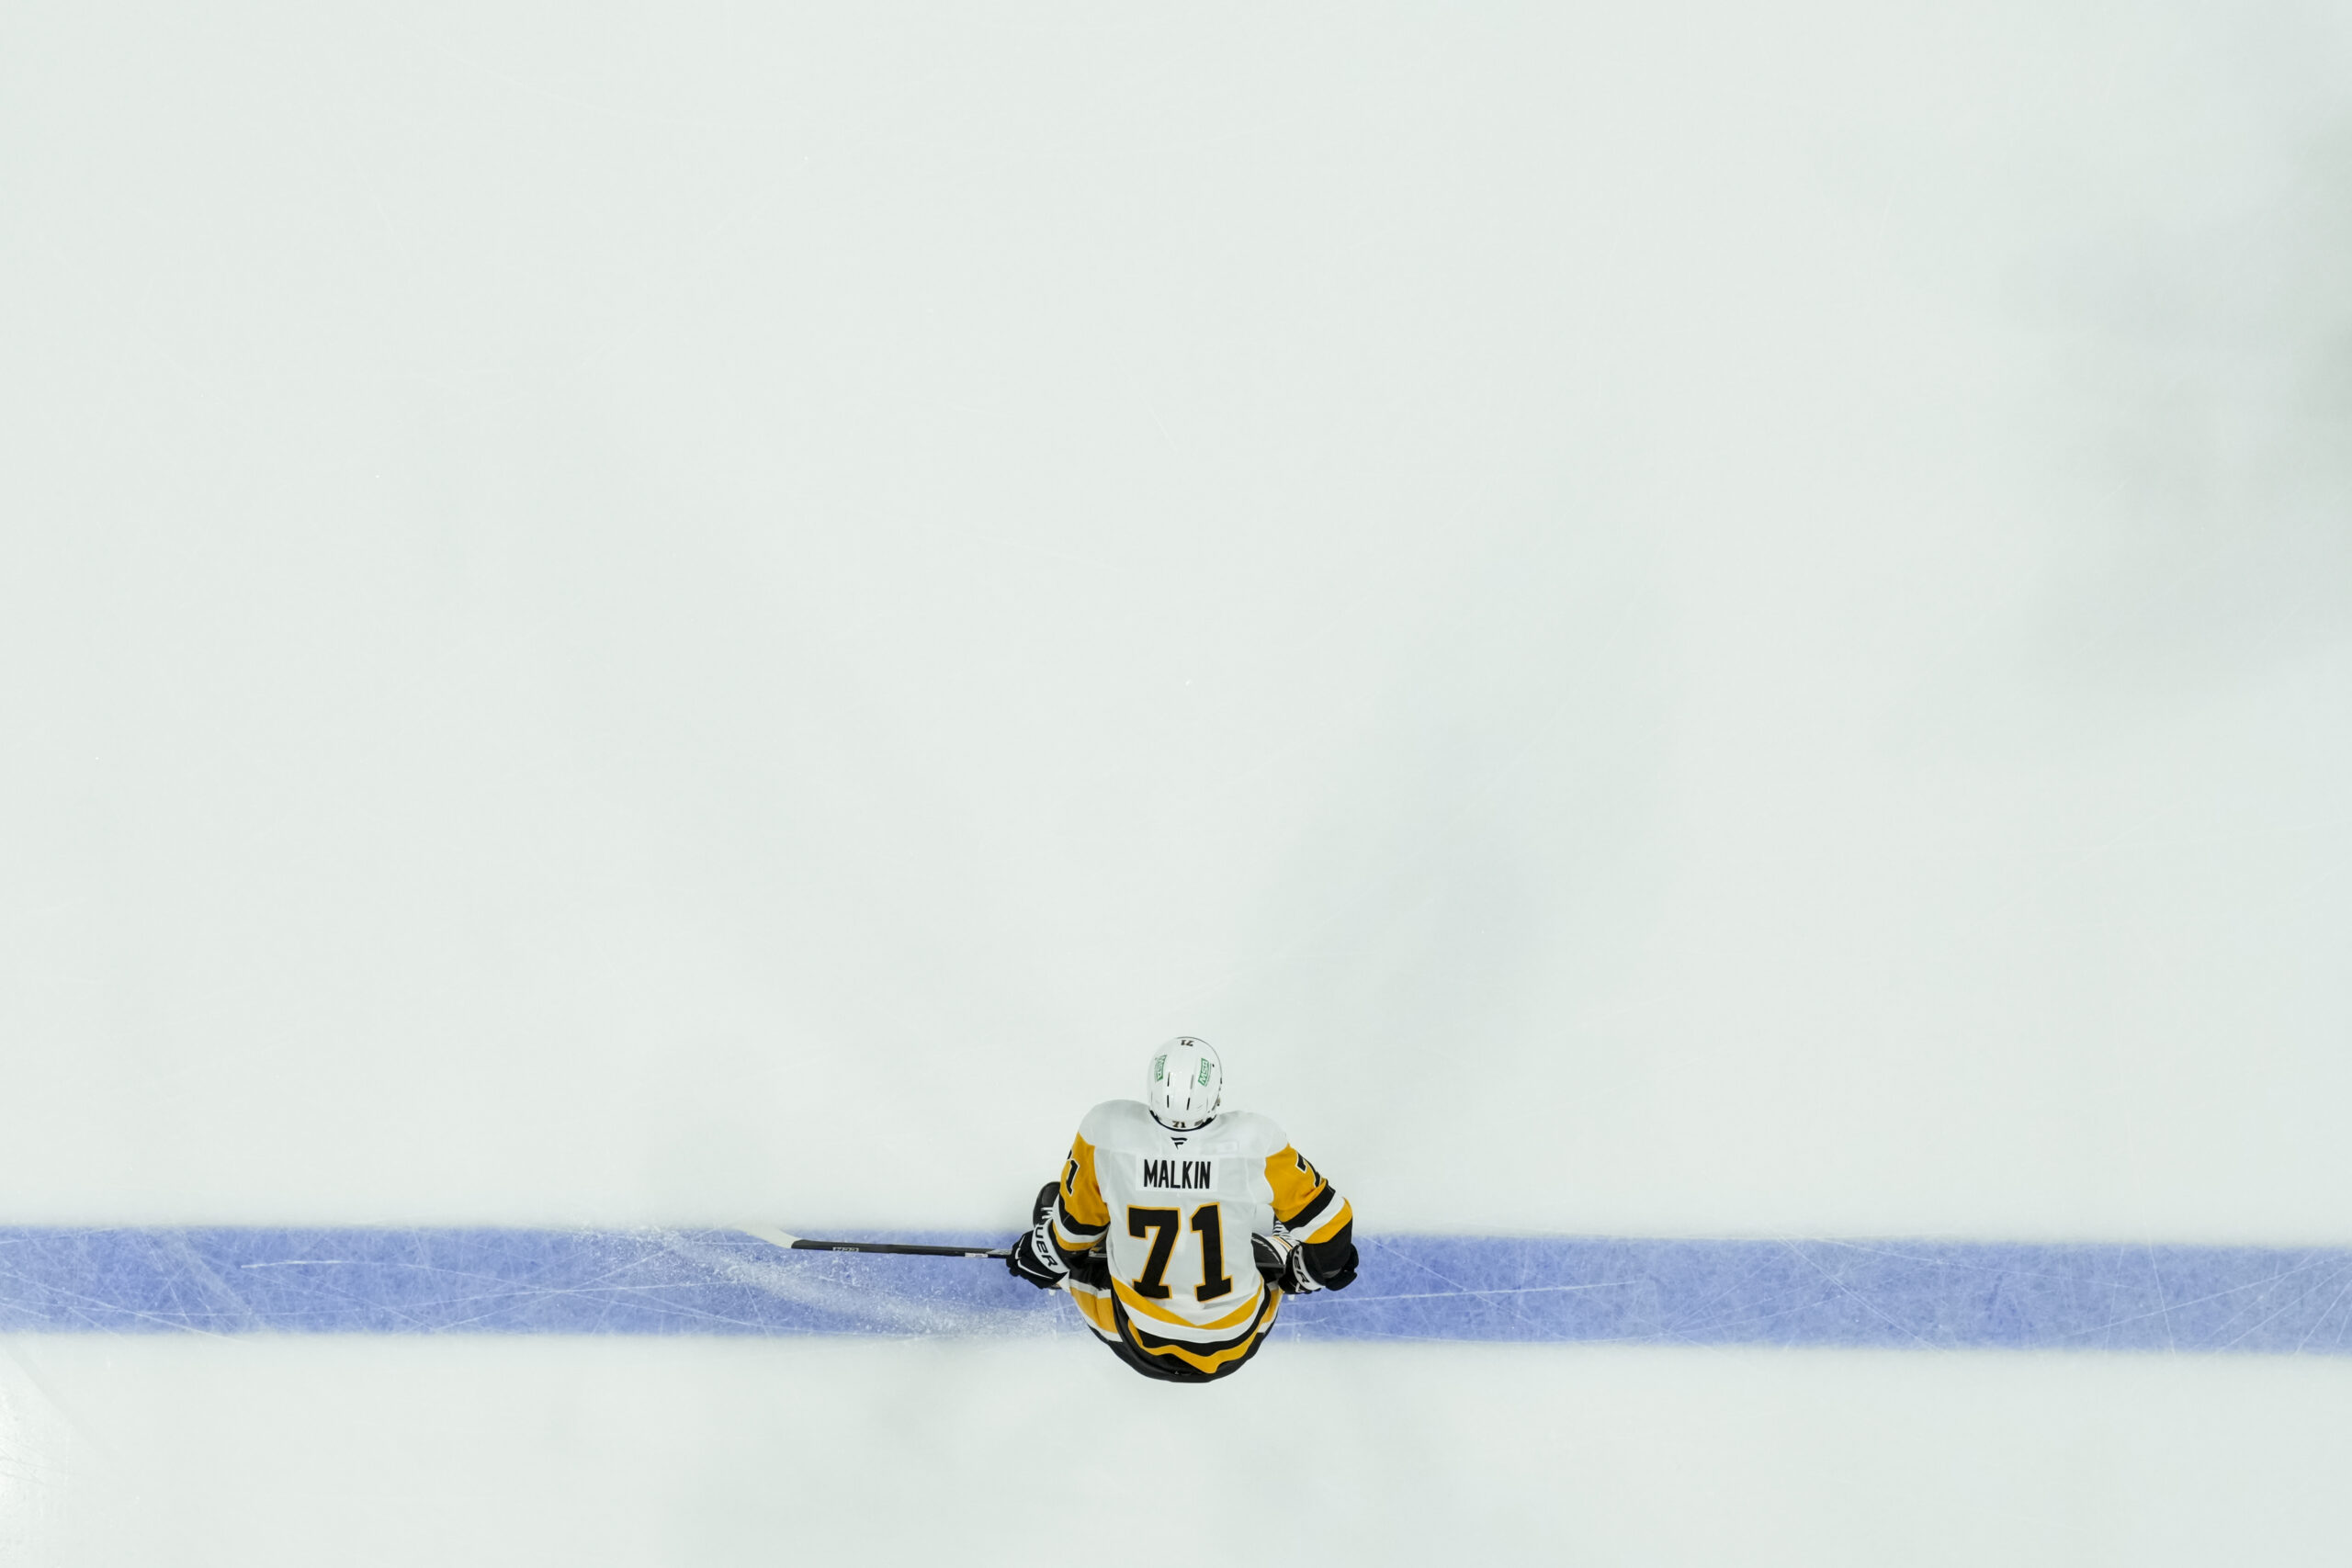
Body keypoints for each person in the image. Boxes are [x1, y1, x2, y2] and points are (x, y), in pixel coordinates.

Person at [1005, 1036, 1358, 1382]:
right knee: (1255, 1251)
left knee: (1079, 1257)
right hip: (1238, 1337)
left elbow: (1075, 1234)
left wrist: (1042, 1255)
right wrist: (1310, 1272)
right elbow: (1333, 1231)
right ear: (1216, 1091)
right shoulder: (1255, 1141)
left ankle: (1065, 1277)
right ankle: (1284, 1247)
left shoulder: (1106, 1131)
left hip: (1137, 1339)